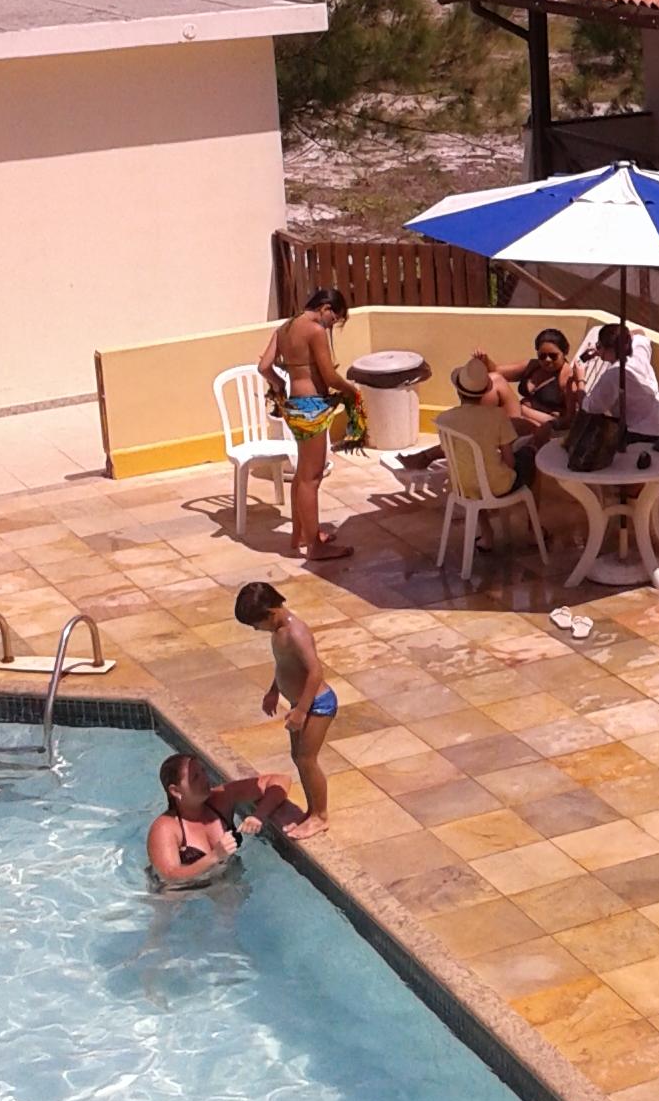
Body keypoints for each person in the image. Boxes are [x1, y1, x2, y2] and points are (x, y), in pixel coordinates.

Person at [258, 286, 366, 563]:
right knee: (311, 477)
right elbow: (329, 376)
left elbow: (264, 366)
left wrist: (279, 383)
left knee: (302, 473)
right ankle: (315, 547)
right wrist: (351, 390)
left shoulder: (284, 328)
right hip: (312, 407)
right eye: (335, 320)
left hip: (294, 405)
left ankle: (300, 535)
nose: (331, 326)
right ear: (326, 308)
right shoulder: (315, 331)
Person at [392, 329, 573, 478]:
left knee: (478, 430)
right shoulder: (533, 366)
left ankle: (429, 455)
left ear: (564, 353)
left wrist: (529, 411)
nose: (547, 360)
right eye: (543, 356)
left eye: (553, 356)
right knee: (494, 379)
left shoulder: (567, 378)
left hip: (540, 426)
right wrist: (485, 361)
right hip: (517, 416)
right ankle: (469, 423)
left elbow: (570, 419)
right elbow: (497, 371)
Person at [235, 581, 337, 836]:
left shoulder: (295, 632)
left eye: (256, 624)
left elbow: (315, 673)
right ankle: (312, 811)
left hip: (317, 704)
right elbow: (285, 665)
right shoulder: (278, 632)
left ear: (270, 613)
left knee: (307, 759)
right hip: (299, 703)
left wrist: (302, 711)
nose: (256, 630)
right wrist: (274, 690)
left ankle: (320, 816)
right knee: (299, 758)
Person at [146, 750, 293, 890]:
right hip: (179, 893)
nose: (205, 779)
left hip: (223, 882)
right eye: (195, 777)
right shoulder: (165, 827)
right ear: (175, 791)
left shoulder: (220, 800)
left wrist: (259, 815)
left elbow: (281, 780)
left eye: (203, 771)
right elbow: (170, 877)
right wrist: (214, 856)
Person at [578, 322, 659, 440]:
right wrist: (601, 348)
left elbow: (589, 407)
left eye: (600, 346)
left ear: (610, 349)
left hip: (641, 434)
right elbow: (640, 332)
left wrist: (580, 379)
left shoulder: (614, 374)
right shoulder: (637, 353)